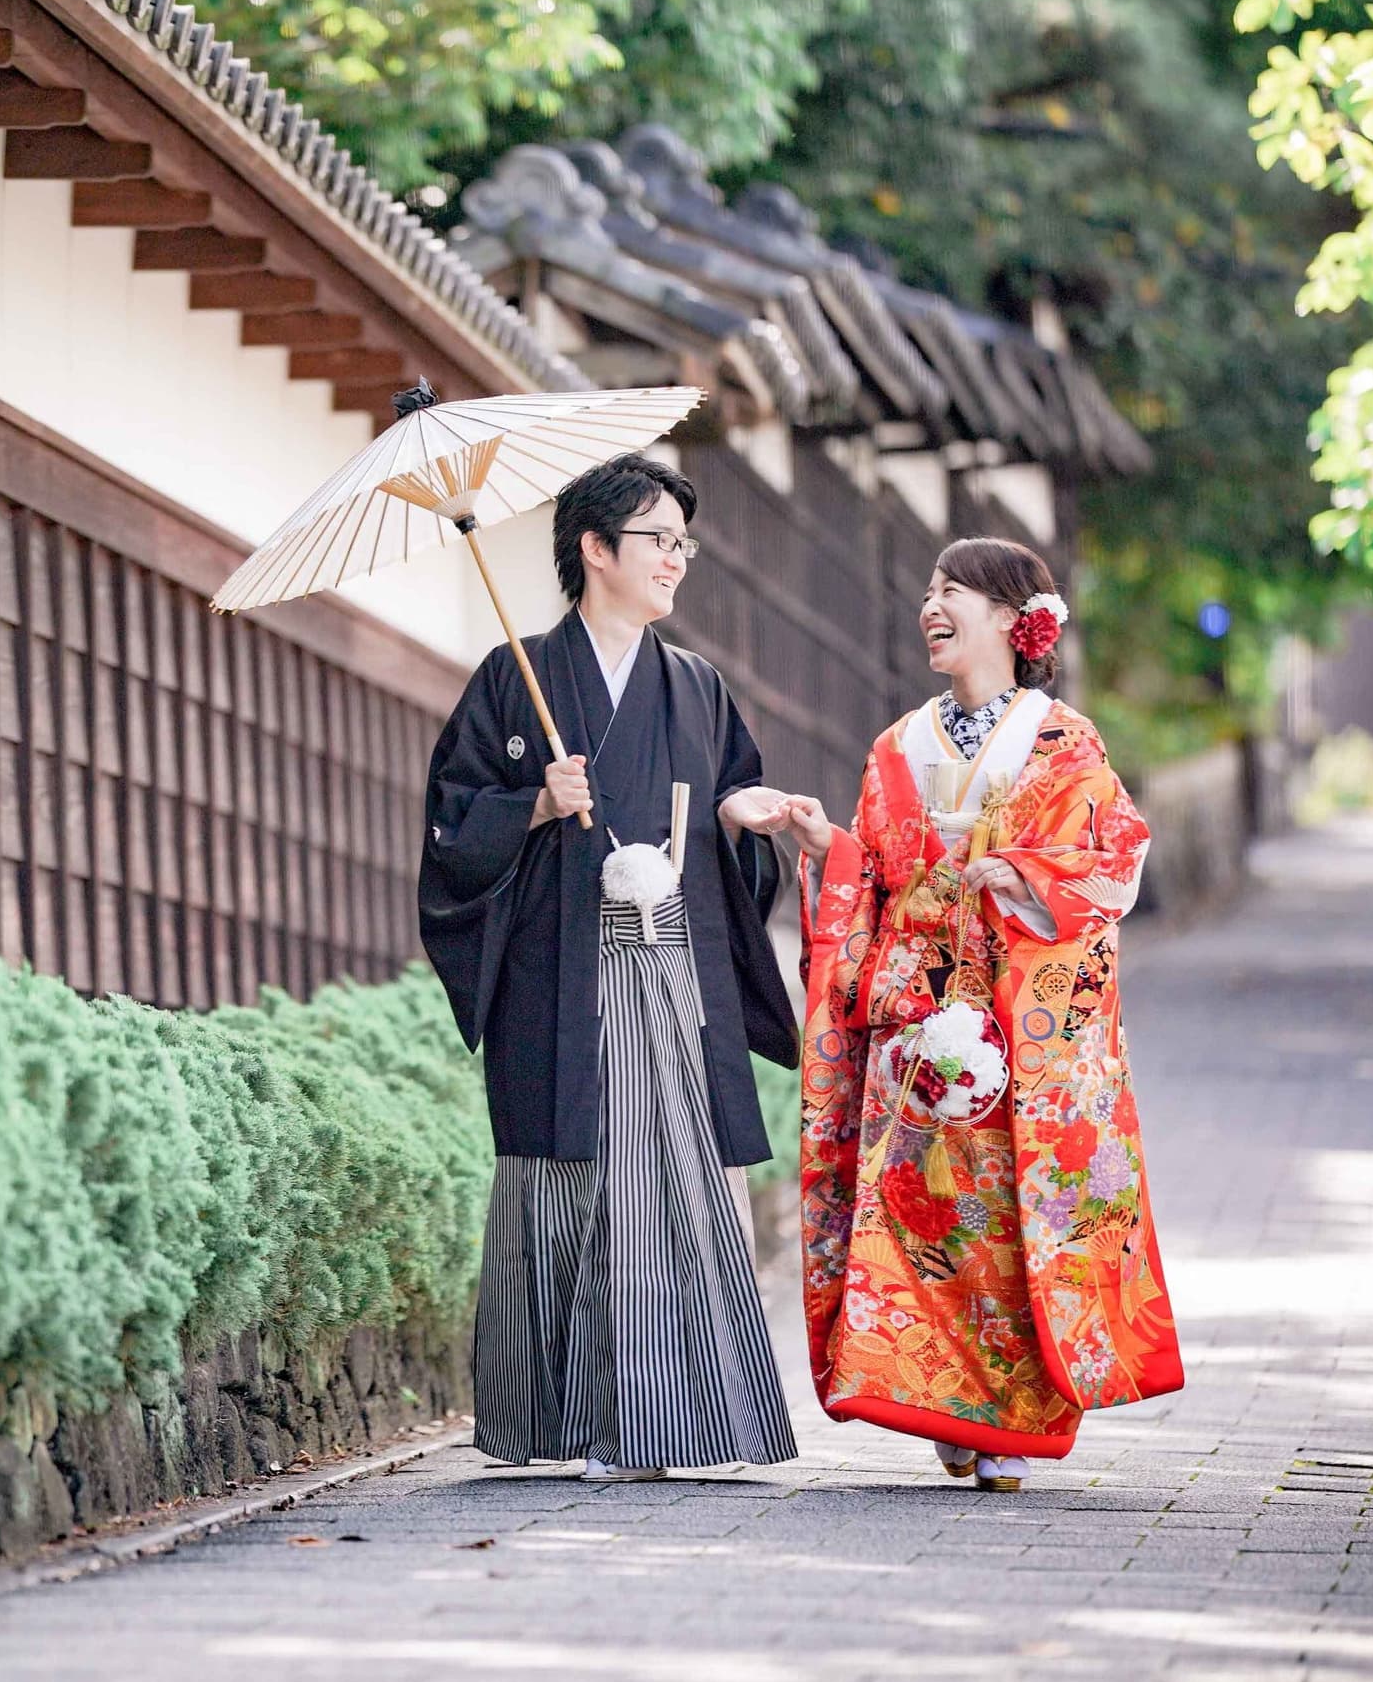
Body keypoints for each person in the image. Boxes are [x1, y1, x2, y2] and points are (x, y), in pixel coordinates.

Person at [419, 452, 802, 1478]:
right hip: (561, 966)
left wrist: (740, 812)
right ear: (594, 548)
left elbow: (728, 787)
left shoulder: (696, 685)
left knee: (667, 1181)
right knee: (571, 1177)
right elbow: (453, 829)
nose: (677, 558)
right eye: (656, 539)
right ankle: (568, 1419)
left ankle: (659, 1423)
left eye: (684, 541)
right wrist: (532, 803)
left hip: (667, 962)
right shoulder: (517, 678)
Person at [777, 537, 1184, 1491]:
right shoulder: (895, 747)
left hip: (1017, 1019)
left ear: (1013, 617)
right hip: (918, 1015)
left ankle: (1003, 1419)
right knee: (921, 1212)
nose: (931, 604)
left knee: (1006, 1217)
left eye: (952, 590)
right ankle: (940, 1402)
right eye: (928, 589)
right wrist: (824, 844)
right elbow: (872, 875)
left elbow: (1114, 857)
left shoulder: (1061, 740)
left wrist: (1025, 873)